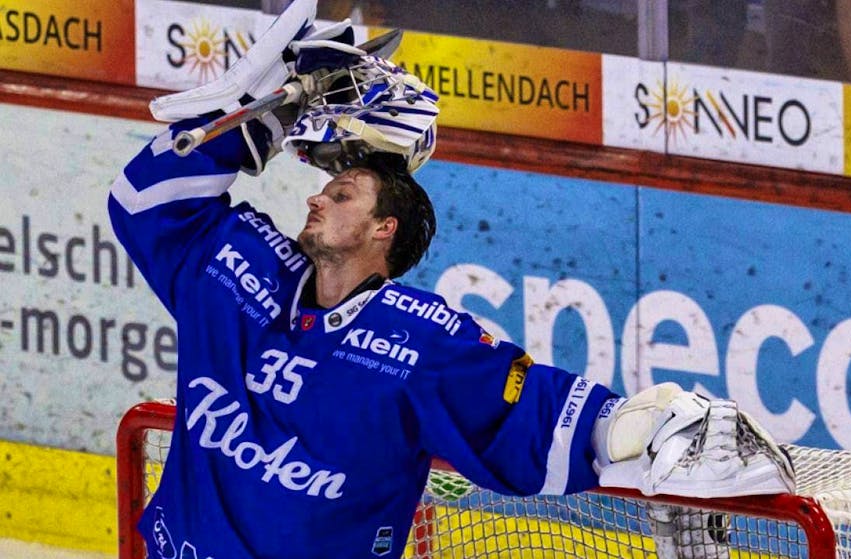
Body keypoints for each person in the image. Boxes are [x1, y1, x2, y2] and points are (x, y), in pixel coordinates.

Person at [110, 1, 794, 557]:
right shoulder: (238, 272)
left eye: (342, 193)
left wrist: (645, 426)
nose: (316, 198)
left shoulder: (417, 341)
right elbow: (141, 203)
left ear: (387, 232)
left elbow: (539, 417)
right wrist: (257, 117)